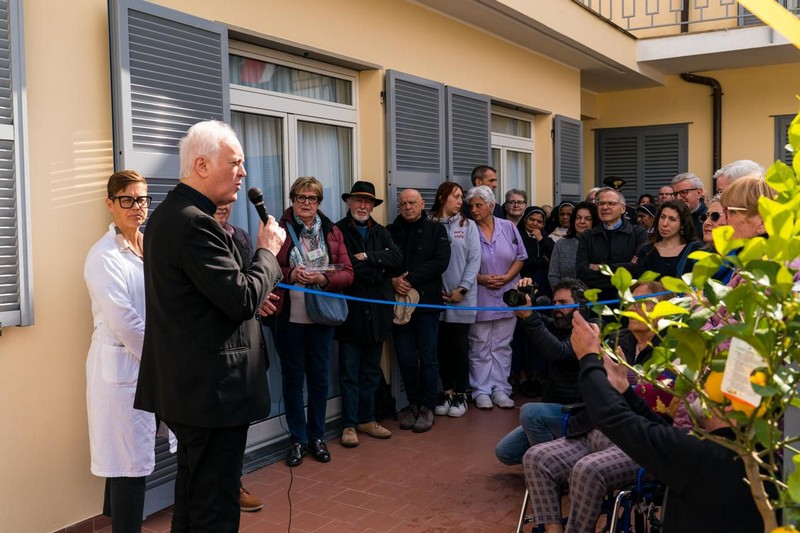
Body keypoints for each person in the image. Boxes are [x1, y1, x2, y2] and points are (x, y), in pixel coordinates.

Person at [135, 120, 285, 532]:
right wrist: (267, 252)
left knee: (192, 500)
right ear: (201, 165)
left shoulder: (172, 215)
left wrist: (248, 292)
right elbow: (241, 298)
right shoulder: (194, 222)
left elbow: (204, 296)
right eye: (235, 163)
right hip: (210, 394)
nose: (243, 173)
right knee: (214, 510)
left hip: (192, 391)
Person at [565, 305, 766, 531]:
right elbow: (658, 431)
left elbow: (616, 419)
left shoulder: (701, 454)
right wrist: (625, 390)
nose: (697, 389)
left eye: (706, 382)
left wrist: (588, 358)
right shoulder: (752, 455)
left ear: (728, 401)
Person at [523, 282, 677, 533]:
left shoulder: (674, 352)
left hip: (638, 442)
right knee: (536, 457)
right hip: (595, 429)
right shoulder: (615, 340)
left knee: (587, 470)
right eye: (631, 302)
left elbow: (662, 407)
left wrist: (627, 384)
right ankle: (553, 529)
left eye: (642, 302)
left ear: (664, 310)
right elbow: (589, 387)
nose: (632, 308)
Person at [84, 170, 160, 532]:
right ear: (110, 204)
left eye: (141, 199)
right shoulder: (103, 256)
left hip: (145, 365)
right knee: (128, 466)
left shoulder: (149, 246)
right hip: (122, 370)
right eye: (127, 199)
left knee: (126, 461)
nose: (136, 207)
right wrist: (163, 361)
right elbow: (125, 322)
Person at [272, 176, 354, 467]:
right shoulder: (278, 229)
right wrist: (291, 274)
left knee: (319, 379)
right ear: (292, 199)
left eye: (312, 198)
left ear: (319, 202)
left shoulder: (332, 231)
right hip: (289, 319)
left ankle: (317, 436)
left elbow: (348, 273)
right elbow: (266, 266)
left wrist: (322, 278)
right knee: (293, 381)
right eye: (301, 197)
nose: (306, 203)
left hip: (322, 317)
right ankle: (297, 439)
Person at [335, 181, 400, 448]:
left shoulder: (381, 232)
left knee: (371, 371)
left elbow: (397, 259)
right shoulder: (337, 231)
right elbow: (342, 267)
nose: (363, 206)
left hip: (378, 313)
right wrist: (377, 266)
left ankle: (367, 419)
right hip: (350, 315)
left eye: (368, 202)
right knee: (349, 372)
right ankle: (349, 424)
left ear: (373, 206)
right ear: (349, 202)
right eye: (358, 201)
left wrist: (367, 257)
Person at [495, 278, 587, 465]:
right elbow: (537, 322)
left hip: (579, 413)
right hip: (555, 409)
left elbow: (559, 352)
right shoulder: (560, 325)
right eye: (554, 302)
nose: (556, 307)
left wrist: (529, 317)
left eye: (563, 303)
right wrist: (523, 299)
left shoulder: (590, 329)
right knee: (505, 452)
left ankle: (553, 467)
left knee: (530, 412)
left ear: (581, 305)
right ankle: (564, 452)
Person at [212, 203, 264, 513]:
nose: (224, 206)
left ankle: (234, 483)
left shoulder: (241, 236)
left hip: (247, 341)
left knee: (238, 424)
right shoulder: (200, 237)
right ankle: (226, 489)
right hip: (219, 349)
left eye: (229, 199)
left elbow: (252, 283)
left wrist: (262, 299)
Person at [388, 189, 451, 432]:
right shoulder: (390, 231)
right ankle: (413, 404)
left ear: (422, 204)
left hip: (426, 304)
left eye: (412, 202)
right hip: (399, 305)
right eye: (403, 203)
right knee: (405, 358)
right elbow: (385, 262)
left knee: (428, 358)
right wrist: (394, 280)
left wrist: (410, 279)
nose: (408, 207)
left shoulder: (437, 230)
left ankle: (427, 407)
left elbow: (441, 261)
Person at [466, 185, 527, 409]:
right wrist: (480, 278)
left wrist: (507, 277)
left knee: (502, 344)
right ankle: (481, 390)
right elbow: (461, 262)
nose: (474, 210)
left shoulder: (508, 227)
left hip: (507, 293)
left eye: (478, 205)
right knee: (479, 344)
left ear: (491, 206)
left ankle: (501, 388)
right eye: (471, 206)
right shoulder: (468, 229)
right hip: (479, 293)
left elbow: (520, 256)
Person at [428, 182, 481, 418]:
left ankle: (461, 394)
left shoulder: (468, 226)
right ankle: (447, 392)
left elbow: (474, 259)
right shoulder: (429, 224)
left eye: (462, 197)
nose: (461, 201)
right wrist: (435, 289)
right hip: (437, 296)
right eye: (456, 196)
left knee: (459, 346)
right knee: (442, 347)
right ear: (442, 198)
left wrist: (463, 288)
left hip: (462, 297)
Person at [575, 187, 648, 302]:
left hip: (628, 301)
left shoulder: (638, 233)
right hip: (596, 302)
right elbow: (582, 272)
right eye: (601, 203)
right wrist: (627, 267)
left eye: (611, 203)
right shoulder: (588, 236)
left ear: (623, 208)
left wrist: (600, 268)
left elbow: (639, 268)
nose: (605, 207)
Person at [634, 200, 701, 279]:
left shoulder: (695, 250)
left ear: (682, 224)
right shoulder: (646, 251)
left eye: (672, 219)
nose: (664, 224)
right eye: (662, 217)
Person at [548, 201, 598, 290]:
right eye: (578, 217)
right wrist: (563, 295)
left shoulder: (601, 244)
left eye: (588, 219)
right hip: (565, 297)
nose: (582, 222)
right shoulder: (561, 244)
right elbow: (553, 275)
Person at [517, 206, 554, 299]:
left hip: (543, 282)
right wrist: (543, 261)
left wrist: (541, 239)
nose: (535, 223)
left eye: (540, 222)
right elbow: (522, 261)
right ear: (525, 220)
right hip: (523, 280)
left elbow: (553, 256)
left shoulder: (544, 236)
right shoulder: (517, 236)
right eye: (532, 219)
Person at [671, 172, 707, 238]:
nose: (678, 198)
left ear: (698, 193)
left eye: (684, 192)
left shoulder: (708, 218)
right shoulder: (670, 217)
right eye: (675, 194)